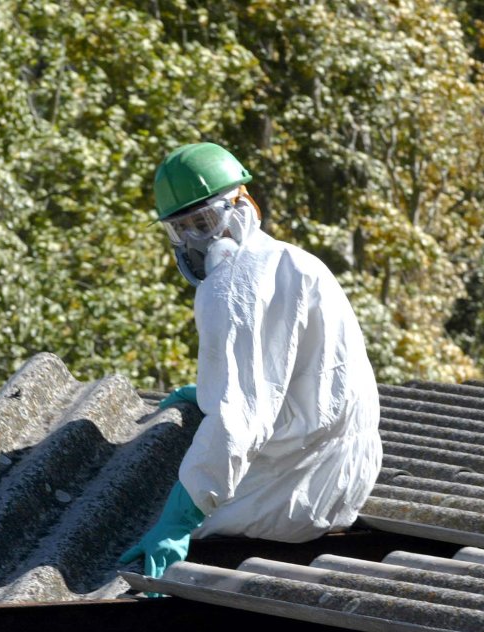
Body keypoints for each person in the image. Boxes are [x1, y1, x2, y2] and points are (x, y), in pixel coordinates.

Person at [119, 142, 383, 580]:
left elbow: (239, 420)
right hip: (346, 473)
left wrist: (178, 521)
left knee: (133, 527)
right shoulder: (292, 260)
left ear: (243, 206)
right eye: (181, 229)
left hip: (296, 492)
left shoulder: (230, 288)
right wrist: (209, 391)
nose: (196, 241)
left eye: (205, 222)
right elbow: (279, 372)